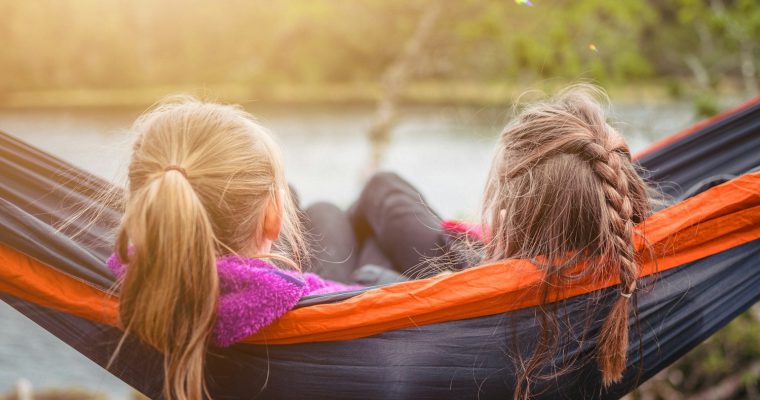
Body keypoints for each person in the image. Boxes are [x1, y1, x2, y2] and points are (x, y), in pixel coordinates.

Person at [344, 84, 653, 398]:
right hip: (493, 274)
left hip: (466, 293)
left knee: (345, 212)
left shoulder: (493, 322)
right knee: (381, 193)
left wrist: (381, 278)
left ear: (513, 213)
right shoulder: (647, 263)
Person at [106, 96, 359, 400]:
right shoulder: (311, 301)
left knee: (310, 204)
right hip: (345, 299)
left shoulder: (132, 280)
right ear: (274, 217)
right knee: (334, 208)